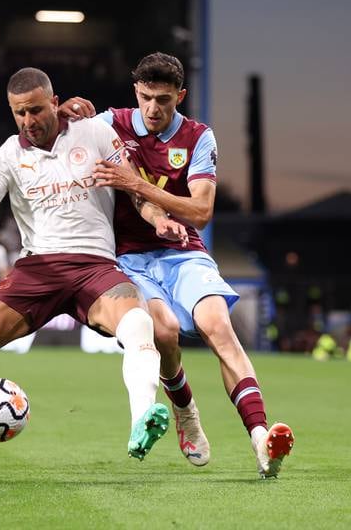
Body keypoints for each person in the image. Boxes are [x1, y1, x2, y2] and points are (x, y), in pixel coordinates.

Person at [0, 67, 190, 477]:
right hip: (37, 269)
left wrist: (157, 217)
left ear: (54, 102)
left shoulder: (96, 134)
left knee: (139, 323)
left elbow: (136, 192)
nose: (29, 121)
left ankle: (142, 418)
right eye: (19, 114)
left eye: (36, 110)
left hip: (94, 266)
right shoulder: (5, 158)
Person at [59, 52, 294, 477]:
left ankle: (261, 439)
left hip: (183, 251)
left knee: (219, 326)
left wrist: (136, 183)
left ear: (179, 96)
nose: (153, 108)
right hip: (128, 258)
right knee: (162, 330)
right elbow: (57, 131)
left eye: (163, 100)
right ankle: (186, 412)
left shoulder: (199, 137)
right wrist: (66, 109)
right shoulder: (112, 125)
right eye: (146, 97)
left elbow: (201, 211)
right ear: (136, 92)